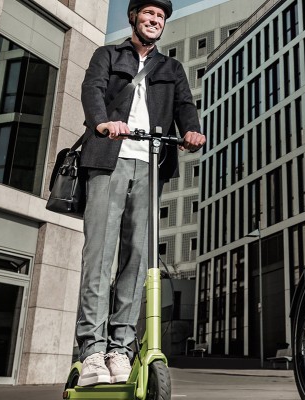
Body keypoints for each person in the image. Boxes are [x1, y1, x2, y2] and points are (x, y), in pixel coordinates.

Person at [75, 0, 205, 386]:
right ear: (134, 18)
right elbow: (92, 91)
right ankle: (92, 350)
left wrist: (192, 131)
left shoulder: (172, 68)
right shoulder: (107, 55)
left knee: (137, 260)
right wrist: (102, 124)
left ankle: (121, 348)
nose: (155, 21)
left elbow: (185, 106)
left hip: (151, 166)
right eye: (149, 14)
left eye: (161, 17)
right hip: (106, 160)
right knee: (99, 253)